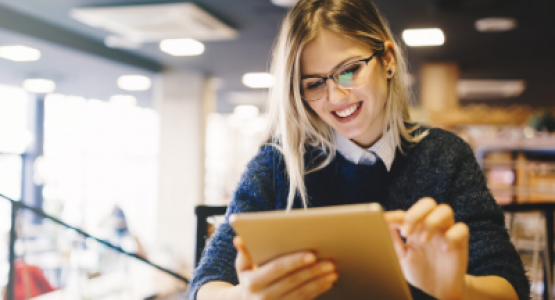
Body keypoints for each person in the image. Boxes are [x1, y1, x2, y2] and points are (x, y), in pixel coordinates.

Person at [189, 0, 529, 299]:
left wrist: (457, 291)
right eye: (314, 83)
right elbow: (206, 283)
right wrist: (244, 297)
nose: (336, 97)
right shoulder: (278, 164)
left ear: (388, 60)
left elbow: (510, 285)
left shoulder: (445, 156)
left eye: (349, 71)